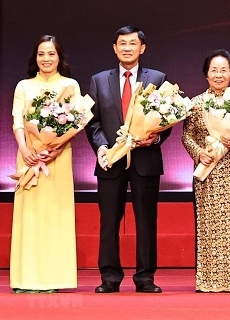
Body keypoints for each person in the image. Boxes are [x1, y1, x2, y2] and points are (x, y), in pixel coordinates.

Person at [86, 26, 170, 293]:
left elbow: (167, 119)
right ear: (114, 48)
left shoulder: (158, 78)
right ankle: (109, 277)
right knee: (109, 220)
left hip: (145, 159)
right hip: (111, 160)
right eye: (122, 43)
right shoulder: (99, 80)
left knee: (146, 220)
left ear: (142, 48)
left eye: (132, 44)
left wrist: (155, 138)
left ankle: (145, 277)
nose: (127, 48)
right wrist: (101, 148)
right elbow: (94, 123)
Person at [10, 35, 79, 293]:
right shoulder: (24, 86)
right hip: (29, 157)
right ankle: (25, 279)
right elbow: (18, 121)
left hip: (58, 159)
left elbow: (75, 123)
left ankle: (53, 280)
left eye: (51, 53)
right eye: (41, 54)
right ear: (35, 58)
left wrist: (56, 146)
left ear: (59, 57)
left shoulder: (70, 85)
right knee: (30, 217)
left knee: (54, 217)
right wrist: (25, 149)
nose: (46, 59)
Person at [181, 50, 230, 293]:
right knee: (209, 225)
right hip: (207, 170)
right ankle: (208, 280)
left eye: (224, 70)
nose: (219, 74)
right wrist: (198, 152)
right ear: (206, 74)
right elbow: (186, 135)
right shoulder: (196, 103)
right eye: (214, 70)